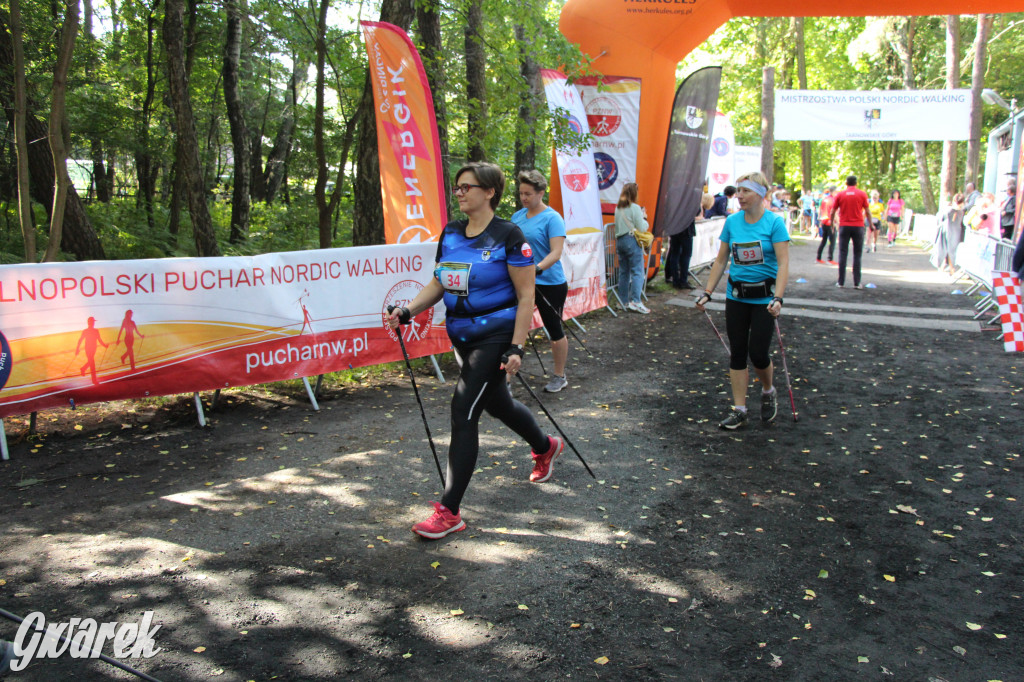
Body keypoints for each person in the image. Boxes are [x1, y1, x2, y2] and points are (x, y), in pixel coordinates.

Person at [387, 162, 564, 540]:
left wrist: (517, 346)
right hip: (462, 337)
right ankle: (545, 446)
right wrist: (408, 310)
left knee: (463, 409)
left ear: (489, 192)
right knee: (498, 404)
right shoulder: (451, 232)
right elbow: (439, 281)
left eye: (467, 187)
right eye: (457, 187)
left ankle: (449, 511)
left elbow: (526, 295)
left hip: (496, 335)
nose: (459, 192)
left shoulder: (509, 235)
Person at [694, 171, 789, 430]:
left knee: (758, 354)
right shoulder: (732, 222)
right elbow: (721, 260)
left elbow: (783, 264)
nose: (740, 195)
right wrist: (708, 292)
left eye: (746, 191)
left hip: (765, 299)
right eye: (738, 190)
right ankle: (739, 409)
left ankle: (768, 390)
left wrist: (779, 298)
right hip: (737, 297)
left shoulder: (774, 223)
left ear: (760, 194)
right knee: (737, 353)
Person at [511, 170, 569, 393]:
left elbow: (556, 252)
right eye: (521, 193)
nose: (523, 198)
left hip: (550, 283)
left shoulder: (552, 218)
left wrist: (536, 269)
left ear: (541, 193)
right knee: (513, 327)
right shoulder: (517, 217)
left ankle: (559, 376)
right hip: (522, 282)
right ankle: (506, 378)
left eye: (528, 194)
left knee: (554, 328)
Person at [614, 182, 651, 313]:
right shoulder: (635, 208)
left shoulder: (618, 208)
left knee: (624, 272)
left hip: (620, 241)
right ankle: (636, 301)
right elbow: (642, 227)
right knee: (638, 272)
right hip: (631, 241)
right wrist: (644, 218)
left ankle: (622, 301)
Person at [831, 175, 870, 288]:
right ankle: (857, 282)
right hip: (858, 226)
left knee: (843, 253)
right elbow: (867, 211)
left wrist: (832, 223)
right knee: (857, 254)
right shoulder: (862, 194)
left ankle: (841, 282)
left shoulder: (840, 195)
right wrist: (871, 224)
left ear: (846, 183)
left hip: (844, 226)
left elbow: (833, 211)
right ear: (856, 183)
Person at [816, 187, 836, 264]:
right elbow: (833, 212)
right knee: (832, 241)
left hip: (824, 221)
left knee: (824, 240)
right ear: (833, 192)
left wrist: (819, 218)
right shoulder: (833, 200)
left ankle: (818, 257)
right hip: (830, 222)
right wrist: (837, 222)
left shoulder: (824, 199)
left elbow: (821, 209)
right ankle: (830, 259)